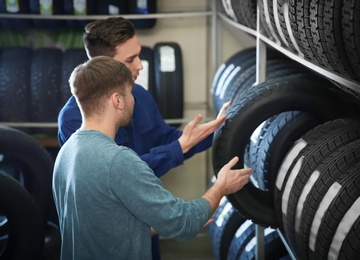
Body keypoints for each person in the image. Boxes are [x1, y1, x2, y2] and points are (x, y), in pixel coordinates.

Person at [57, 17, 231, 259]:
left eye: (138, 55)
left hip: (142, 235)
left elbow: (168, 140)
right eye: (130, 60)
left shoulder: (138, 96)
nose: (140, 66)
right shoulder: (74, 121)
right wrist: (218, 187)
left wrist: (219, 131)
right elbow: (121, 173)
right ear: (104, 66)